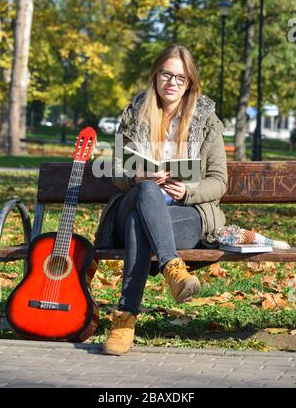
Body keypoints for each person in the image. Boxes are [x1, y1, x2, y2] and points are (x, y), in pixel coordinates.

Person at [94, 44, 228, 356]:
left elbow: (218, 181)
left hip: (184, 212)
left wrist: (188, 191)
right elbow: (115, 169)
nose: (172, 82)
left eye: (180, 78)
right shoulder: (135, 115)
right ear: (155, 76)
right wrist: (137, 178)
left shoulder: (207, 122)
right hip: (134, 200)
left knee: (137, 224)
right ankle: (172, 267)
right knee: (146, 192)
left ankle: (124, 320)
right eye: (166, 74)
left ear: (190, 83)